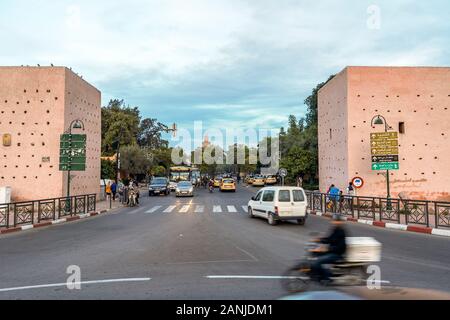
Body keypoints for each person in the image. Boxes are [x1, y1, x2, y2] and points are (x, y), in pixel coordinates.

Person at [311, 214, 347, 283]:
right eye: (333, 220)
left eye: (336, 221)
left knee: (317, 262)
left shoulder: (341, 232)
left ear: (340, 222)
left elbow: (340, 247)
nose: (334, 222)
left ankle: (327, 278)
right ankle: (319, 274)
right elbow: (329, 239)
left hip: (337, 254)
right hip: (332, 251)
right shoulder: (335, 229)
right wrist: (319, 240)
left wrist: (327, 249)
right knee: (315, 254)